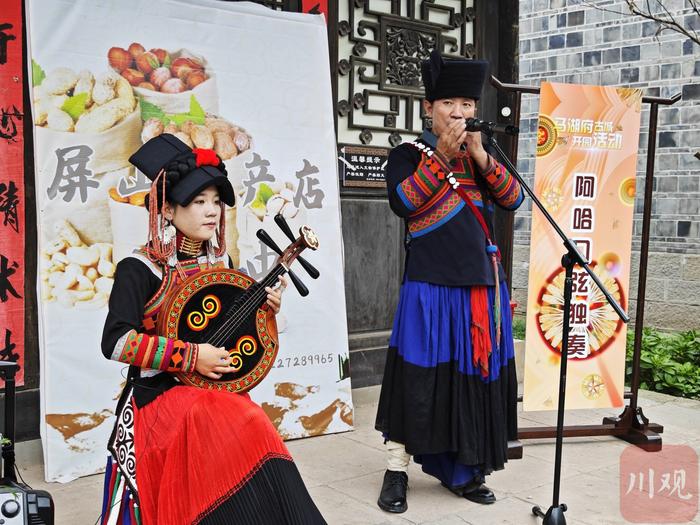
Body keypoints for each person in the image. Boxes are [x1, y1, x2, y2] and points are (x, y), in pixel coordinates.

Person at [100, 134, 326, 524]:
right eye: (199, 201)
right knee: (245, 422)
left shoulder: (222, 264)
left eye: (217, 202)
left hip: (210, 394)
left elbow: (237, 339)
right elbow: (116, 341)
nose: (212, 212)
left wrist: (266, 310)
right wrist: (191, 355)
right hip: (158, 397)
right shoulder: (139, 268)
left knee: (250, 427)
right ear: (167, 210)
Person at [374, 50, 524, 514]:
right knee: (419, 378)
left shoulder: (484, 155)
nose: (460, 114)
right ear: (427, 108)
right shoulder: (408, 154)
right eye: (448, 104)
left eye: (467, 104)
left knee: (472, 380)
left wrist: (480, 155)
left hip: (482, 290)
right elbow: (405, 202)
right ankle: (396, 470)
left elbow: (513, 199)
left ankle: (464, 470)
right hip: (429, 289)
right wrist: (441, 157)